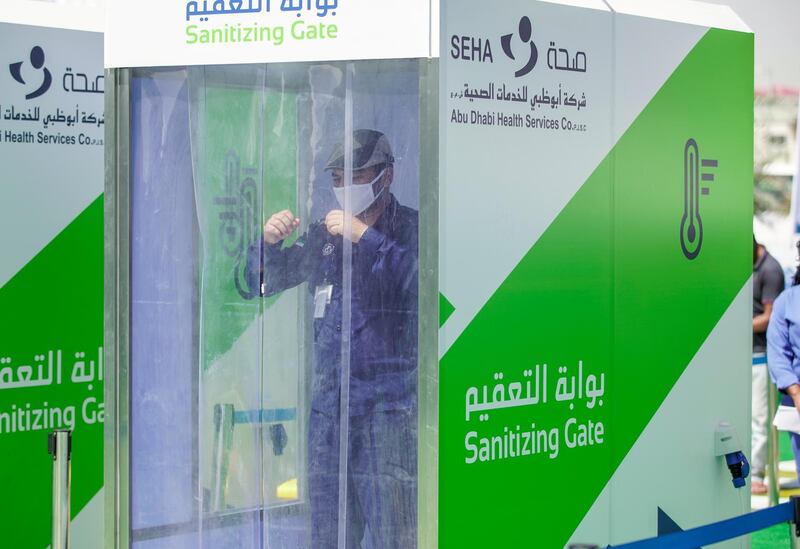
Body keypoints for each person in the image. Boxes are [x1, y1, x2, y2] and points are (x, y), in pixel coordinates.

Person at [245, 129, 418, 548]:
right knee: (328, 538)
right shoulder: (325, 234)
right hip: (329, 416)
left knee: (395, 537)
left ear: (386, 177)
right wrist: (267, 244)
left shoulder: (410, 226)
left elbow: (421, 284)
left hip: (386, 417)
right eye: (338, 178)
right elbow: (261, 284)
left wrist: (365, 236)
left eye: (357, 175)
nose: (346, 187)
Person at [752, 237, 785, 494]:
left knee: (760, 415)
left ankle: (757, 473)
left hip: (761, 353)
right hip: (744, 353)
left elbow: (770, 316)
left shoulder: (770, 269)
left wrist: (738, 326)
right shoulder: (749, 265)